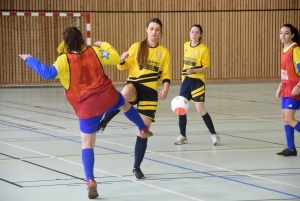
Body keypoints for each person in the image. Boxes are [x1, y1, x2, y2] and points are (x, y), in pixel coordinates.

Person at [19, 27, 153, 199]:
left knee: (87, 144)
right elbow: (115, 57)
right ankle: (142, 128)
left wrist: (29, 59)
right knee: (125, 104)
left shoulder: (63, 60)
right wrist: (103, 44)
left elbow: (48, 73)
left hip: (87, 108)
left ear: (66, 43)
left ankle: (90, 179)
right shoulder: (94, 51)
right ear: (83, 39)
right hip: (107, 97)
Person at [96, 18, 171, 179]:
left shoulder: (164, 52)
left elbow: (165, 74)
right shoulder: (137, 46)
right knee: (123, 96)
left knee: (142, 131)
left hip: (150, 92)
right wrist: (122, 59)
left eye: (157, 29)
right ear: (146, 30)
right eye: (151, 28)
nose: (154, 32)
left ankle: (136, 167)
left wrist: (165, 87)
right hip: (135, 84)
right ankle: (103, 122)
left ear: (160, 32)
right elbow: (122, 65)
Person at [174, 24, 220, 146]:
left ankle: (214, 135)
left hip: (197, 82)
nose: (194, 34)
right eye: (192, 32)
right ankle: (183, 136)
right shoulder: (185, 45)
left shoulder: (204, 49)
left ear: (200, 35)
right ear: (189, 33)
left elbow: (205, 67)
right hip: (186, 81)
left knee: (200, 110)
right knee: (181, 110)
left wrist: (193, 70)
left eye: (197, 32)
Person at [276, 24, 300, 157]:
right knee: (285, 119)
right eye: (281, 33)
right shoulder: (284, 50)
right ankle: (291, 149)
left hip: (295, 89)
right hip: (286, 88)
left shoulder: (295, 50)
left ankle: (291, 148)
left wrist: (299, 86)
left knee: (290, 119)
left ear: (292, 35)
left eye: (286, 33)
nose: (283, 35)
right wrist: (280, 86)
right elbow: (286, 72)